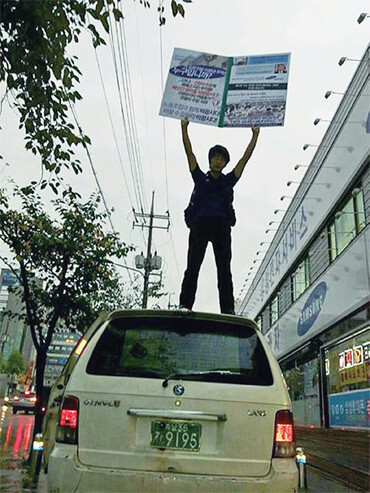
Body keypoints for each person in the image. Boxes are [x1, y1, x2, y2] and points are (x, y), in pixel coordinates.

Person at [179, 119, 260, 314]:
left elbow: (244, 159)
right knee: (193, 267)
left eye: (221, 158)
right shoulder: (200, 177)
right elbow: (189, 153)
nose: (218, 160)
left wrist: (255, 135)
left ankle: (228, 310)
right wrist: (184, 128)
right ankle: (185, 305)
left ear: (225, 163)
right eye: (215, 157)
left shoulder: (228, 181)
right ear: (210, 160)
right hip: (200, 227)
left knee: (224, 270)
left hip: (222, 230)